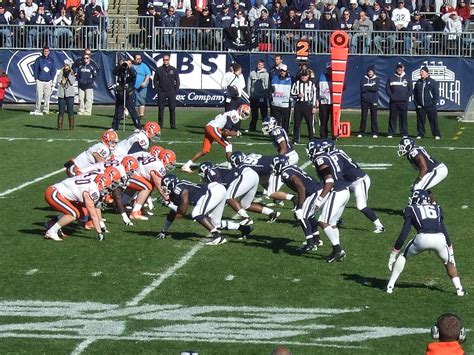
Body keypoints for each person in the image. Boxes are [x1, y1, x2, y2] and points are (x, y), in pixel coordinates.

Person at [386, 189, 466, 296]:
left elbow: (405, 232)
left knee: (403, 256)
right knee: (448, 263)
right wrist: (450, 249)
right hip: (440, 238)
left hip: (422, 238)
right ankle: (459, 289)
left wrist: (393, 254)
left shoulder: (411, 208)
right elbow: (443, 229)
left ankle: (390, 286)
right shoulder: (437, 208)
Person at [306, 139, 351, 263]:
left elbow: (329, 181)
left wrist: (320, 199)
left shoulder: (320, 159)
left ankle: (338, 250)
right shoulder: (326, 156)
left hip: (337, 191)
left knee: (322, 221)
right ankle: (337, 250)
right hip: (344, 190)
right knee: (332, 222)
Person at [328, 141, 385, 233]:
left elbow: (338, 171)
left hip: (359, 180)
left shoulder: (335, 156)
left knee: (361, 205)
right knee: (336, 197)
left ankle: (380, 226)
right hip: (349, 180)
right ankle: (337, 220)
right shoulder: (338, 152)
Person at [157, 174, 228, 245]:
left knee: (196, 213)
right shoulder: (176, 190)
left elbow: (182, 211)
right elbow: (173, 213)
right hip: (217, 189)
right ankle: (238, 227)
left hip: (213, 190)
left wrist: (168, 204)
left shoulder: (178, 189)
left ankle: (218, 237)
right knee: (215, 223)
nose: (164, 190)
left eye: (165, 187)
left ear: (171, 184)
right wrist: (164, 231)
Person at [272, 156, 323, 252]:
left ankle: (310, 243)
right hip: (315, 189)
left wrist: (299, 206)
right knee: (309, 215)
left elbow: (301, 187)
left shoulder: (285, 173)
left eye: (275, 166)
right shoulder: (290, 168)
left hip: (313, 191)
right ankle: (316, 239)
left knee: (300, 214)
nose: (274, 168)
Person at [180, 104, 250, 172]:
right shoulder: (235, 115)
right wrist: (236, 133)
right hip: (213, 128)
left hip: (210, 127)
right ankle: (231, 167)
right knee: (228, 145)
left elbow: (224, 132)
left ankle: (186, 165)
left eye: (246, 114)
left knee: (205, 150)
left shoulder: (232, 113)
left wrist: (228, 133)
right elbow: (225, 133)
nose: (245, 115)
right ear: (240, 110)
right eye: (245, 113)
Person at [44, 173, 112, 242]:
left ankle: (51, 223)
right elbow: (93, 215)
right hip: (54, 193)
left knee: (81, 212)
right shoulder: (93, 191)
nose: (107, 191)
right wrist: (99, 232)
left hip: (58, 192)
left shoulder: (92, 185)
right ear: (100, 184)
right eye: (106, 188)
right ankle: (52, 231)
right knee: (73, 214)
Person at [110, 58, 143, 131]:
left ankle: (138, 127)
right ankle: (114, 127)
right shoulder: (121, 70)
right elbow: (114, 72)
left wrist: (129, 66)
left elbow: (134, 75)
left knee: (132, 110)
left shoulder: (132, 69)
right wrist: (121, 65)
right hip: (121, 92)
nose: (127, 65)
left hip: (129, 92)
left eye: (129, 63)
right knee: (118, 110)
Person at [385, 62, 412, 138]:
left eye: (401, 67)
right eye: (398, 67)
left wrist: (406, 97)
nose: (399, 69)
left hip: (403, 102)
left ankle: (404, 133)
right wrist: (391, 96)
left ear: (403, 68)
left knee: (403, 118)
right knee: (392, 117)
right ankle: (391, 133)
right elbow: (387, 88)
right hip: (393, 102)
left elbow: (410, 89)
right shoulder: (391, 77)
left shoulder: (408, 77)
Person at [153, 54, 180, 129]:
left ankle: (173, 125)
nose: (165, 61)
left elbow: (177, 81)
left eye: (167, 60)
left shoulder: (173, 69)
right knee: (161, 108)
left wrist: (175, 90)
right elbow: (155, 81)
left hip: (171, 92)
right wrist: (157, 90)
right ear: (162, 60)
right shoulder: (159, 69)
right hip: (162, 92)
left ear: (169, 60)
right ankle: (160, 125)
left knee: (172, 108)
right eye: (164, 60)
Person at [290, 69, 317, 144]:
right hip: (298, 104)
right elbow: (291, 93)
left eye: (305, 76)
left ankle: (311, 139)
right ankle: (295, 139)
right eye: (302, 76)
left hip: (307, 105)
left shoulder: (311, 84)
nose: (304, 77)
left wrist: (314, 106)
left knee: (309, 123)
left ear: (308, 76)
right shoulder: (297, 83)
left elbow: (314, 95)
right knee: (297, 123)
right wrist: (298, 95)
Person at [414, 66, 440, 140]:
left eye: (422, 71)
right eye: (420, 72)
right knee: (420, 121)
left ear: (427, 73)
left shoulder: (432, 82)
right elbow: (415, 94)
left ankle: (436, 134)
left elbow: (436, 94)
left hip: (430, 105)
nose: (420, 73)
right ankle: (420, 134)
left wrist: (433, 103)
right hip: (420, 106)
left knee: (433, 121)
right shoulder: (418, 82)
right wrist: (417, 104)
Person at [31, 46, 55, 116]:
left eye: (47, 51)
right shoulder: (39, 60)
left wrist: (51, 78)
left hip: (48, 81)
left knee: (47, 96)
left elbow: (53, 70)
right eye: (45, 51)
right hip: (40, 80)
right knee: (39, 96)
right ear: (42, 52)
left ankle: (46, 109)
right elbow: (35, 69)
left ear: (49, 52)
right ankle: (37, 109)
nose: (46, 53)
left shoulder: (51, 60)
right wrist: (36, 78)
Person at [247, 60, 269, 132]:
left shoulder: (266, 74)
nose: (259, 66)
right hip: (254, 97)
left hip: (262, 97)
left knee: (264, 115)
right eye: (258, 64)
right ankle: (252, 128)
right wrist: (249, 94)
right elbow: (249, 84)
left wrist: (265, 95)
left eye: (261, 65)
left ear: (263, 66)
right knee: (254, 114)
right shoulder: (252, 73)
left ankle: (266, 129)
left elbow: (267, 85)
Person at [358, 66, 379, 138]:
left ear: (373, 72)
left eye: (371, 71)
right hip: (364, 101)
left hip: (373, 100)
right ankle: (361, 132)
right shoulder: (363, 79)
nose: (370, 73)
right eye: (369, 71)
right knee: (363, 117)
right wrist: (370, 87)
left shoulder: (376, 79)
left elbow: (375, 88)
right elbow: (362, 88)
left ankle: (374, 132)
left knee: (374, 117)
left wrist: (367, 86)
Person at [269, 64, 292, 132]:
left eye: (284, 71)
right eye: (281, 71)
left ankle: (285, 134)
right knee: (276, 121)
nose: (282, 72)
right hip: (276, 104)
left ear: (286, 71)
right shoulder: (274, 78)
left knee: (285, 121)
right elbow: (270, 89)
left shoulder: (291, 79)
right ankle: (276, 133)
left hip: (285, 104)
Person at [56, 59, 76, 131]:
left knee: (70, 111)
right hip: (61, 93)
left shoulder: (72, 72)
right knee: (61, 111)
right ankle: (59, 127)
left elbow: (72, 82)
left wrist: (68, 74)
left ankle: (71, 127)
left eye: (67, 65)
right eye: (65, 65)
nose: (65, 66)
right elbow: (58, 80)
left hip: (69, 94)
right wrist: (62, 73)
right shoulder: (61, 71)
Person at [76, 52, 97, 116]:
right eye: (84, 58)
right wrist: (80, 81)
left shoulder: (92, 67)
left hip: (89, 86)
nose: (85, 59)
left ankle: (88, 111)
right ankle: (81, 110)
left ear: (89, 59)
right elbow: (78, 75)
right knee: (81, 98)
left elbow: (94, 76)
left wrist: (89, 81)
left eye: (87, 58)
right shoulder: (80, 67)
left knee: (88, 99)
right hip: (81, 85)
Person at [316, 63, 333, 139]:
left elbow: (344, 87)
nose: (330, 70)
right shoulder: (322, 76)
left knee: (334, 120)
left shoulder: (337, 77)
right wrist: (317, 99)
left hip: (333, 103)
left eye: (331, 69)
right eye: (328, 69)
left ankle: (334, 135)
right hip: (323, 102)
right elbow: (316, 87)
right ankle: (323, 136)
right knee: (323, 120)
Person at [133, 54, 151, 119]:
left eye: (140, 58)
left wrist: (145, 82)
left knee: (141, 100)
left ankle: (141, 115)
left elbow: (148, 74)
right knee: (129, 100)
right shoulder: (131, 65)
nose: (139, 60)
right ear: (134, 59)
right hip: (132, 86)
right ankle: (125, 114)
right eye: (138, 59)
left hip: (142, 87)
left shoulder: (144, 66)